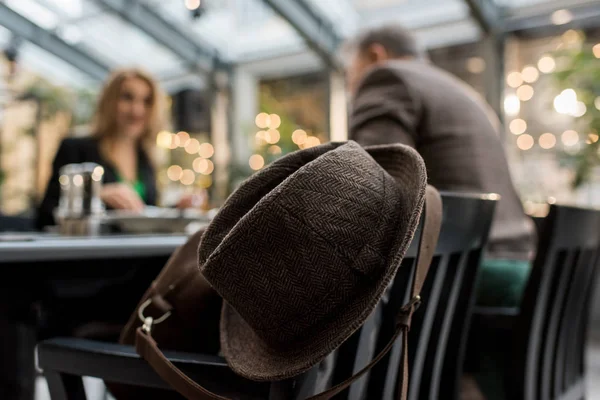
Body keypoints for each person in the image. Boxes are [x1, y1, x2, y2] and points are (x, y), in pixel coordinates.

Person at [344, 24, 536, 399]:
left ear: (374, 55)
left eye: (348, 72)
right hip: (519, 263)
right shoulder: (461, 90)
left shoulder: (387, 77)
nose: (350, 84)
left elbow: (371, 186)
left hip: (476, 273)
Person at [36, 67, 202, 230]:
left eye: (146, 101)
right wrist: (96, 195)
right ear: (110, 101)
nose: (137, 110)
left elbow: (142, 212)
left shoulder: (145, 157)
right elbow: (45, 215)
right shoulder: (75, 148)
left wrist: (177, 209)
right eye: (127, 98)